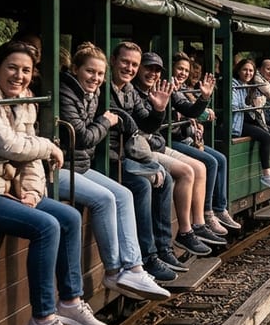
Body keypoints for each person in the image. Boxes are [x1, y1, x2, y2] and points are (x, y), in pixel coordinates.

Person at [0, 40, 107, 325]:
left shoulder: (25, 99)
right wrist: (49, 146)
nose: (19, 76)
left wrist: (33, 190)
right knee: (45, 226)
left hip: (6, 190)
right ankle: (42, 318)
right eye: (12, 67)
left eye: (26, 70)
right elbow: (5, 143)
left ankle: (71, 300)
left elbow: (30, 157)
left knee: (69, 217)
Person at [59, 42, 169, 301]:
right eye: (90, 72)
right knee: (108, 197)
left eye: (99, 74)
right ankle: (113, 270)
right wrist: (105, 122)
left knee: (123, 194)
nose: (95, 78)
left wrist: (159, 109)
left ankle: (134, 267)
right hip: (65, 166)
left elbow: (145, 123)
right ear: (76, 69)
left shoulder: (98, 92)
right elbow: (83, 137)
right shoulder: (71, 92)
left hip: (83, 165)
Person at [108, 41, 201, 283]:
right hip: (112, 159)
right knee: (142, 185)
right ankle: (147, 256)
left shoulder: (127, 90)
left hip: (128, 154)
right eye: (126, 62)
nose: (129, 68)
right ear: (113, 61)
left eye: (133, 64)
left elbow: (146, 123)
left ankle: (162, 248)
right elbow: (128, 125)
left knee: (165, 178)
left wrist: (159, 109)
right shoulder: (105, 90)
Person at [134, 52, 229, 246]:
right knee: (189, 169)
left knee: (201, 167)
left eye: (157, 70)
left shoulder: (165, 86)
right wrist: (159, 109)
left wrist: (204, 98)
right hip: (146, 147)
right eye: (148, 68)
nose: (153, 73)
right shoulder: (134, 93)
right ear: (139, 69)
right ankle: (185, 231)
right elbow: (146, 126)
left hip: (157, 144)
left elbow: (190, 110)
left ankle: (199, 224)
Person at [168, 53, 242, 233]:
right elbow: (183, 115)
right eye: (180, 69)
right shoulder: (169, 87)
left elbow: (191, 111)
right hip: (173, 139)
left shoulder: (181, 89)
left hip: (187, 137)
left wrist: (203, 99)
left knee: (221, 159)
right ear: (171, 69)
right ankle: (206, 213)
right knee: (210, 162)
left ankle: (219, 208)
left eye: (186, 70)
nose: (184, 73)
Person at [231, 58, 270, 190]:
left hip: (250, 119)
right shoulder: (234, 84)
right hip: (238, 122)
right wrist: (253, 106)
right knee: (266, 136)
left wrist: (256, 104)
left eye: (250, 71)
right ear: (238, 70)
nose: (248, 73)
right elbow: (234, 105)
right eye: (245, 70)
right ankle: (266, 174)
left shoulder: (249, 86)